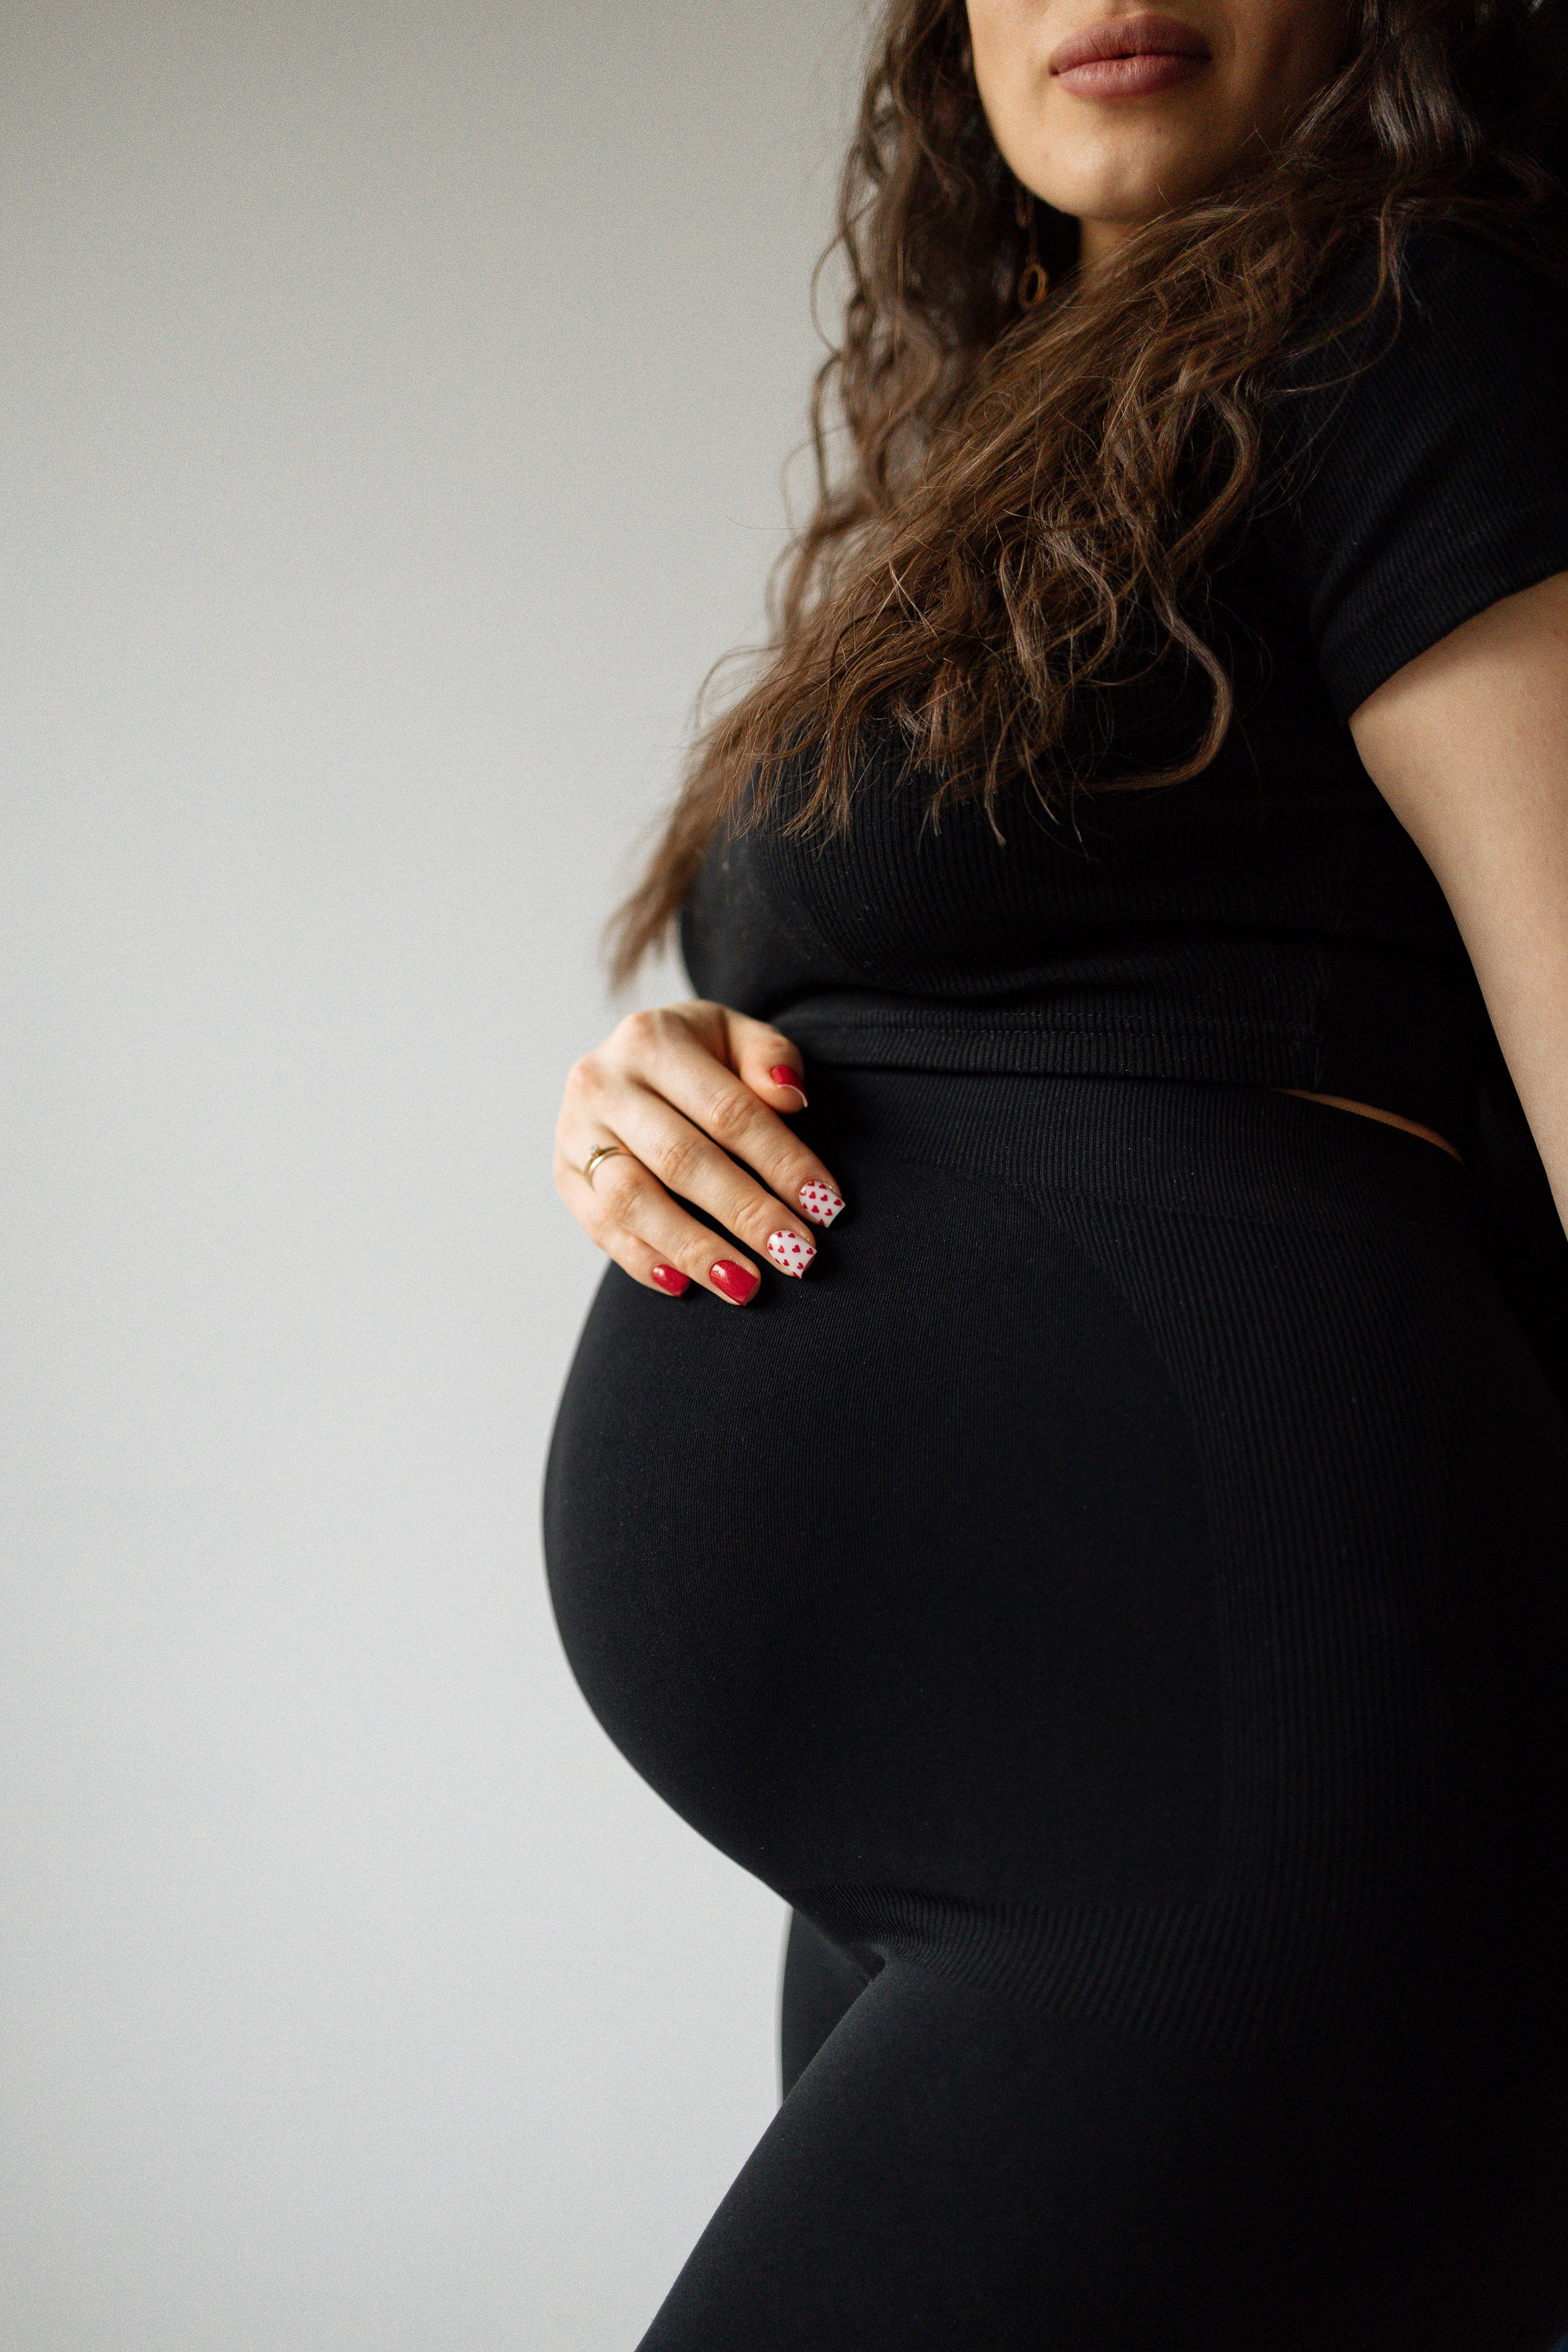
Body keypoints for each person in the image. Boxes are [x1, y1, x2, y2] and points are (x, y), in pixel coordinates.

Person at [544, 0, 1568, 2339]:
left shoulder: (1420, 330)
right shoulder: (1011, 450)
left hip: (1241, 1785)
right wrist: (669, 1089)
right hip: (1004, 1834)